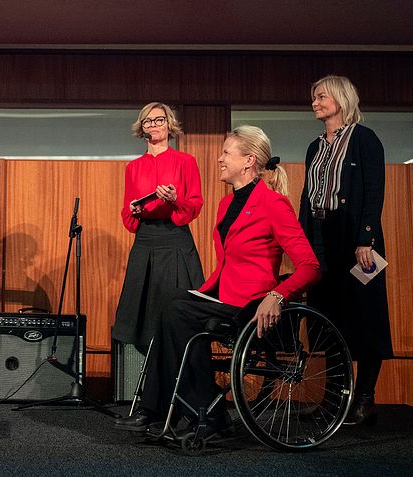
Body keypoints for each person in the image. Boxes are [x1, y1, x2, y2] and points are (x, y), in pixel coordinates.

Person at [115, 125, 320, 433]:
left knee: (177, 311)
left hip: (251, 303)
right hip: (222, 296)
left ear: (249, 160)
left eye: (226, 152)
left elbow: (310, 266)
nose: (220, 159)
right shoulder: (227, 204)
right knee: (170, 303)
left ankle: (200, 410)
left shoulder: (273, 204)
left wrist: (277, 295)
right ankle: (164, 407)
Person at [299, 75, 392, 426]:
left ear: (340, 97)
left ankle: (365, 399)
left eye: (321, 95)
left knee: (365, 316)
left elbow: (374, 192)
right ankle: (333, 399)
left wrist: (366, 238)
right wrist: (303, 243)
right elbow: (308, 198)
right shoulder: (314, 147)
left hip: (355, 240)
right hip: (321, 235)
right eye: (313, 97)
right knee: (326, 316)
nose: (315, 102)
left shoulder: (364, 139)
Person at [112, 102, 205, 354]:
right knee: (144, 317)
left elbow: (195, 203)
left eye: (159, 120)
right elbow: (126, 214)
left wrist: (174, 199)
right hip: (146, 239)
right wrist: (133, 210)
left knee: (177, 311)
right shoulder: (133, 167)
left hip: (175, 238)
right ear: (142, 128)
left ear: (169, 124)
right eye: (148, 121)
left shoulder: (186, 161)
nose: (154, 125)